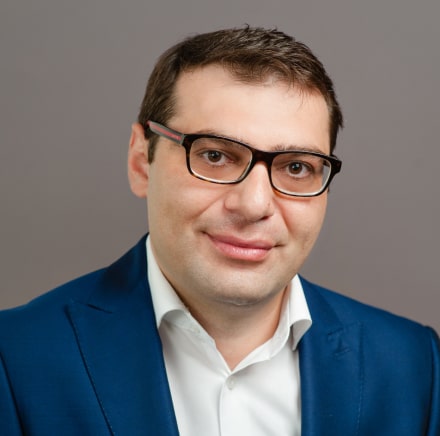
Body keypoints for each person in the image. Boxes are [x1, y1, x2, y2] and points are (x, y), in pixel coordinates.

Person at [0, 26, 438, 436]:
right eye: (214, 156)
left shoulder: (415, 365)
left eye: (296, 167)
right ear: (141, 162)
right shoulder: (16, 357)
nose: (254, 205)